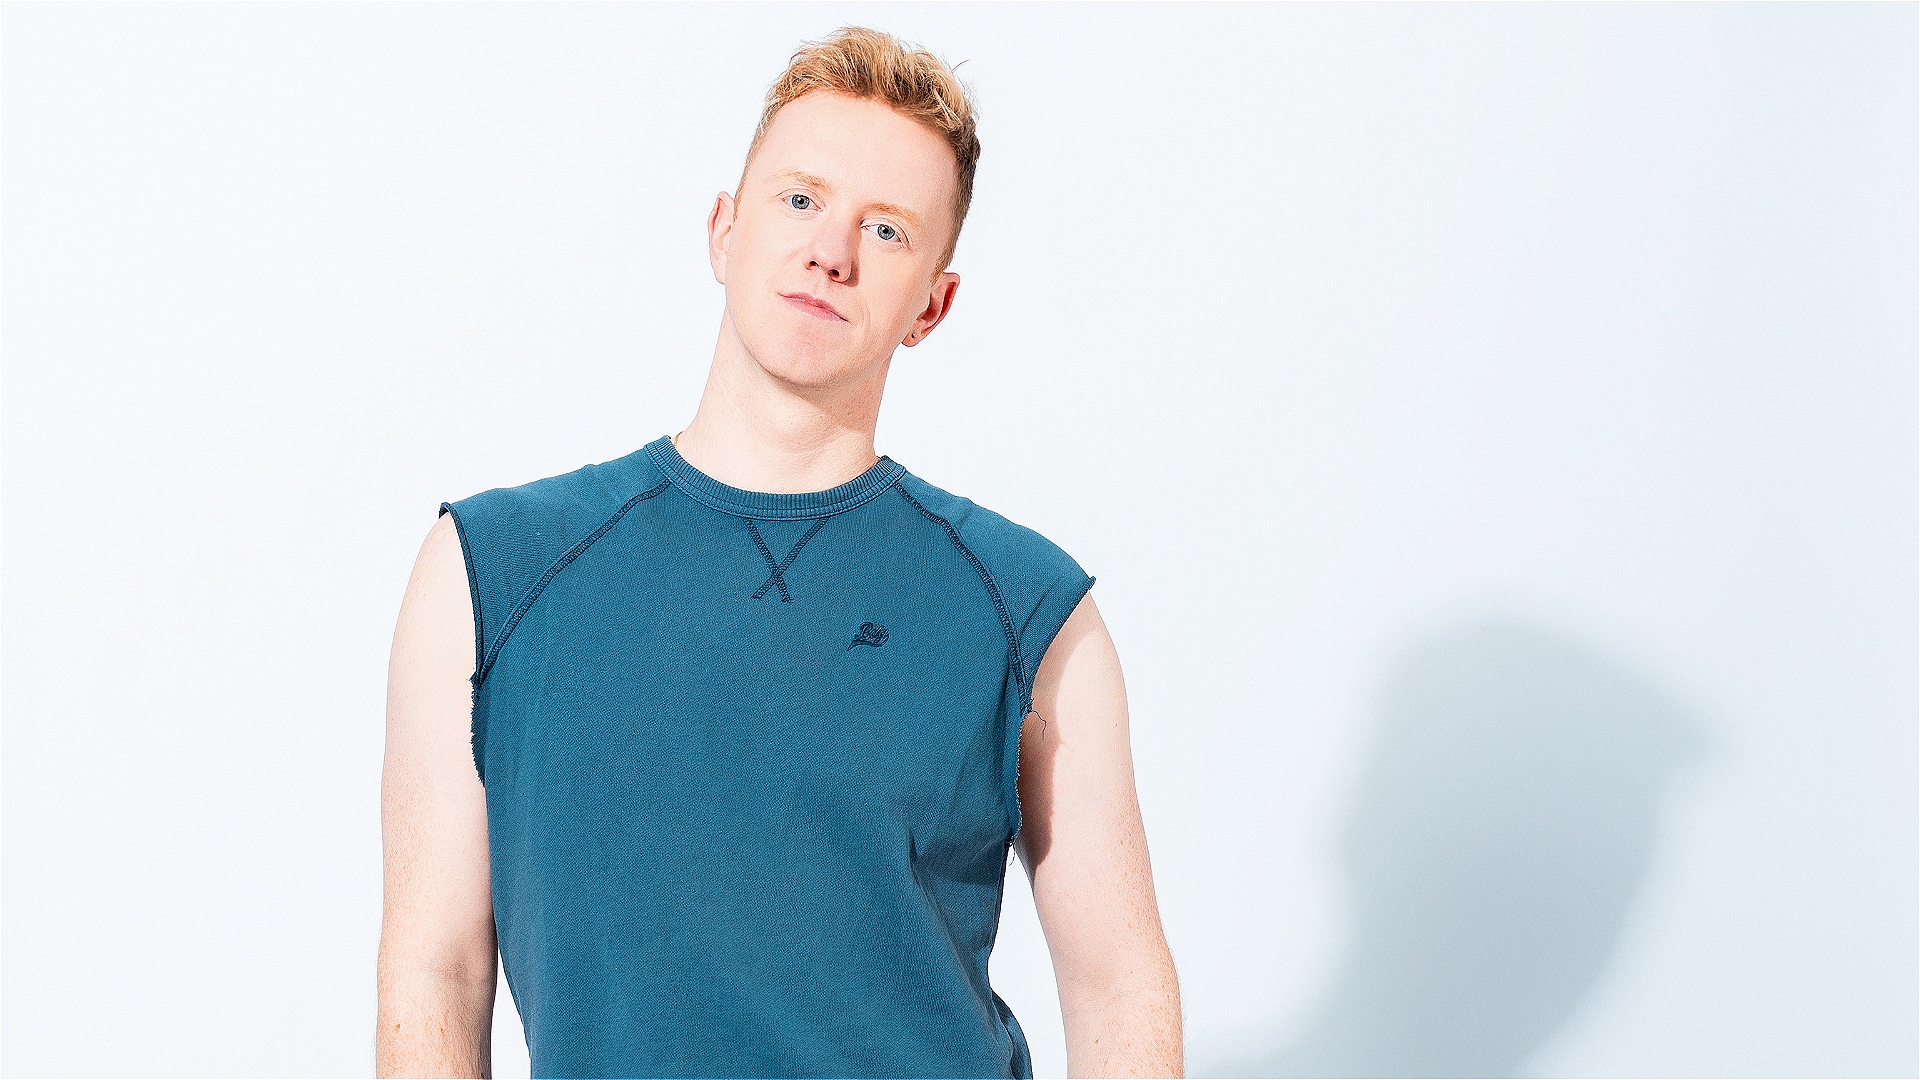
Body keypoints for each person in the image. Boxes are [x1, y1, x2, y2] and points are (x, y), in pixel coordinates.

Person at [375, 26, 1181, 1079]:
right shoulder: (494, 573)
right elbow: (435, 973)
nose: (831, 252)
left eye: (887, 231)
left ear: (931, 305)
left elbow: (1119, 988)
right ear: (724, 230)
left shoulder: (1025, 610)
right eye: (801, 200)